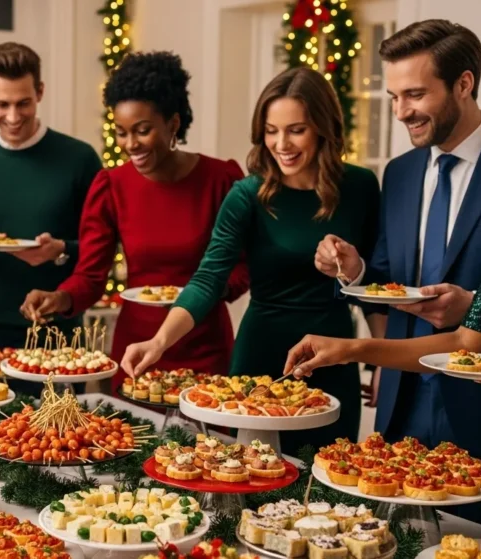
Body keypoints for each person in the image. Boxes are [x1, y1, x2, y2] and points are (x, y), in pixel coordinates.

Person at [285, 31, 481, 543]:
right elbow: (460, 337)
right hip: (471, 427)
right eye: (393, 97)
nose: (401, 112)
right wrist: (352, 340)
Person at [312, 20, 481, 461]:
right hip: (400, 401)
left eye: (415, 95)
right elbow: (387, 281)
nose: (401, 112)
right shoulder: (398, 174)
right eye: (394, 98)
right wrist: (355, 268)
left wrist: (474, 305)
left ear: (463, 84)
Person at [122, 67, 379, 454]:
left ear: (324, 128)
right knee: (248, 479)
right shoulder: (247, 194)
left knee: (330, 481)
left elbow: (379, 284)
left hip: (334, 357)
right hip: (261, 358)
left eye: (296, 130)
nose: (281, 144)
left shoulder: (360, 187)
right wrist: (159, 342)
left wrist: (383, 360)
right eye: (271, 131)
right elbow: (209, 278)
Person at [20, 51, 249, 394]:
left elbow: (243, 268)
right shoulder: (111, 186)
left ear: (173, 124)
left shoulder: (221, 179)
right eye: (121, 133)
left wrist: (200, 294)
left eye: (142, 131)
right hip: (136, 352)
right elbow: (91, 275)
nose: (130, 144)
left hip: (205, 348)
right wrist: (60, 297)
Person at [0, 42, 103, 384]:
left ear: (40, 92)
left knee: (58, 435)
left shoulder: (79, 159)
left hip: (59, 330)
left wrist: (60, 250)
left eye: (24, 103)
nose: (13, 117)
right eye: (2, 104)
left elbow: (101, 248)